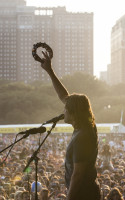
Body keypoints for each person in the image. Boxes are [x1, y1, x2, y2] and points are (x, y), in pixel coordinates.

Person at [40, 51, 100, 200]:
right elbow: (63, 96)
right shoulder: (84, 127)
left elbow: (78, 174)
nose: (63, 110)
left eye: (66, 108)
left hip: (84, 195)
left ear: (74, 112)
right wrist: (50, 71)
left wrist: (70, 198)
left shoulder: (83, 136)